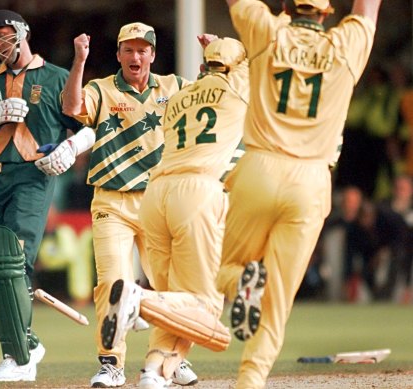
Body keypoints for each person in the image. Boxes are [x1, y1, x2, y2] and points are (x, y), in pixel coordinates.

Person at [213, 0, 382, 388]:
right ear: (326, 13)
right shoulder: (346, 43)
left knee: (214, 269)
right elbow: (368, 7)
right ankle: (249, 382)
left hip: (260, 166)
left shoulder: (267, 30)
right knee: (277, 305)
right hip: (310, 182)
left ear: (288, 7)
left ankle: (241, 283)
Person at [99, 37, 250, 388]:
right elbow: (254, 61)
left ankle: (155, 371)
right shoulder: (237, 85)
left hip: (157, 194)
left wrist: (215, 53)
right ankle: (138, 298)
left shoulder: (180, 97)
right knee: (205, 307)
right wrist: (226, 51)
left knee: (177, 309)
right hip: (197, 193)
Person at [55, 22, 197, 388]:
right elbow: (71, 106)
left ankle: (171, 357)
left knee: (168, 286)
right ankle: (111, 364)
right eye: (129, 50)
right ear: (119, 54)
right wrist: (79, 60)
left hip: (159, 203)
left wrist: (214, 62)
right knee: (113, 283)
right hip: (112, 202)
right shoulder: (101, 89)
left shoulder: (174, 86)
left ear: (152, 54)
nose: (136, 57)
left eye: (143, 50)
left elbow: (209, 104)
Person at [0, 9, 90, 383]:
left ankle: (17, 357)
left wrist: (69, 150)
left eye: (4, 33)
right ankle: (26, 342)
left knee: (9, 260)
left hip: (33, 174)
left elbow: (89, 127)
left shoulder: (57, 76)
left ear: (22, 31)